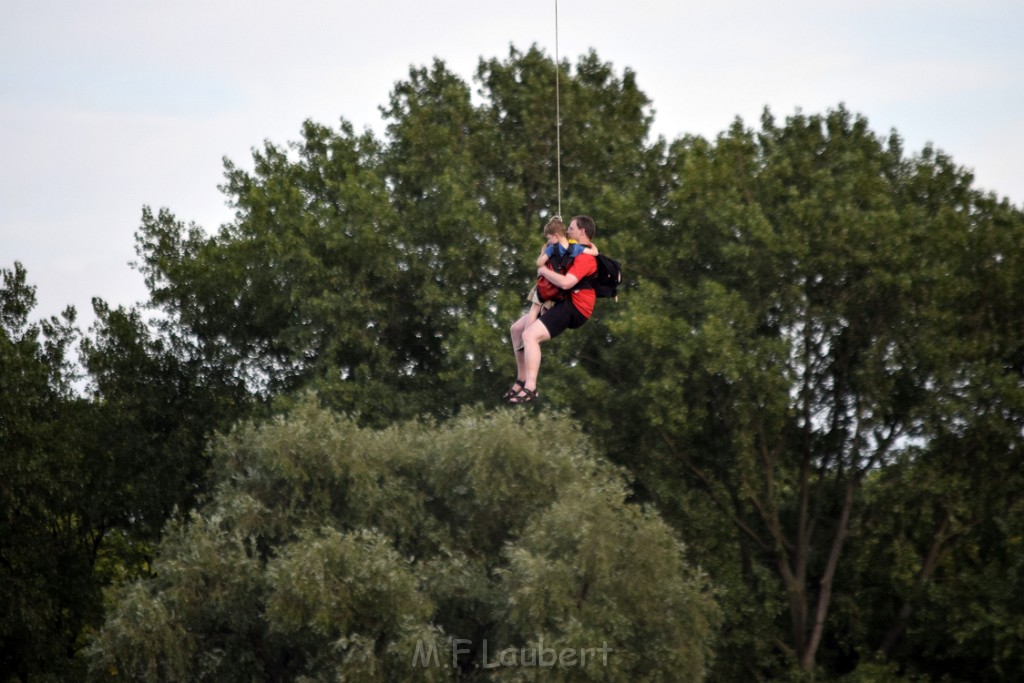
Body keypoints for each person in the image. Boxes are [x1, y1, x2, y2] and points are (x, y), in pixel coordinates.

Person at [506, 215, 599, 404]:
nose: (569, 230)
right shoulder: (570, 246)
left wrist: (543, 271)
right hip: (561, 301)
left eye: (571, 228)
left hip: (576, 307)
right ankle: (522, 378)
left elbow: (566, 283)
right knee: (517, 330)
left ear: (582, 232)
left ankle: (531, 388)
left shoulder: (585, 257)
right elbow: (560, 242)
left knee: (530, 335)